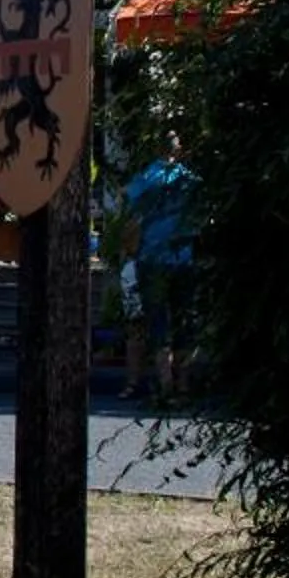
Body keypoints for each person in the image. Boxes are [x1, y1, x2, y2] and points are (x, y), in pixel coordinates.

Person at [120, 149, 197, 401]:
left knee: (158, 322)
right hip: (183, 257)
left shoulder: (148, 176)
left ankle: (165, 385)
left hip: (153, 258)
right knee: (184, 320)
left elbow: (129, 204)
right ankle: (184, 384)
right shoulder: (190, 179)